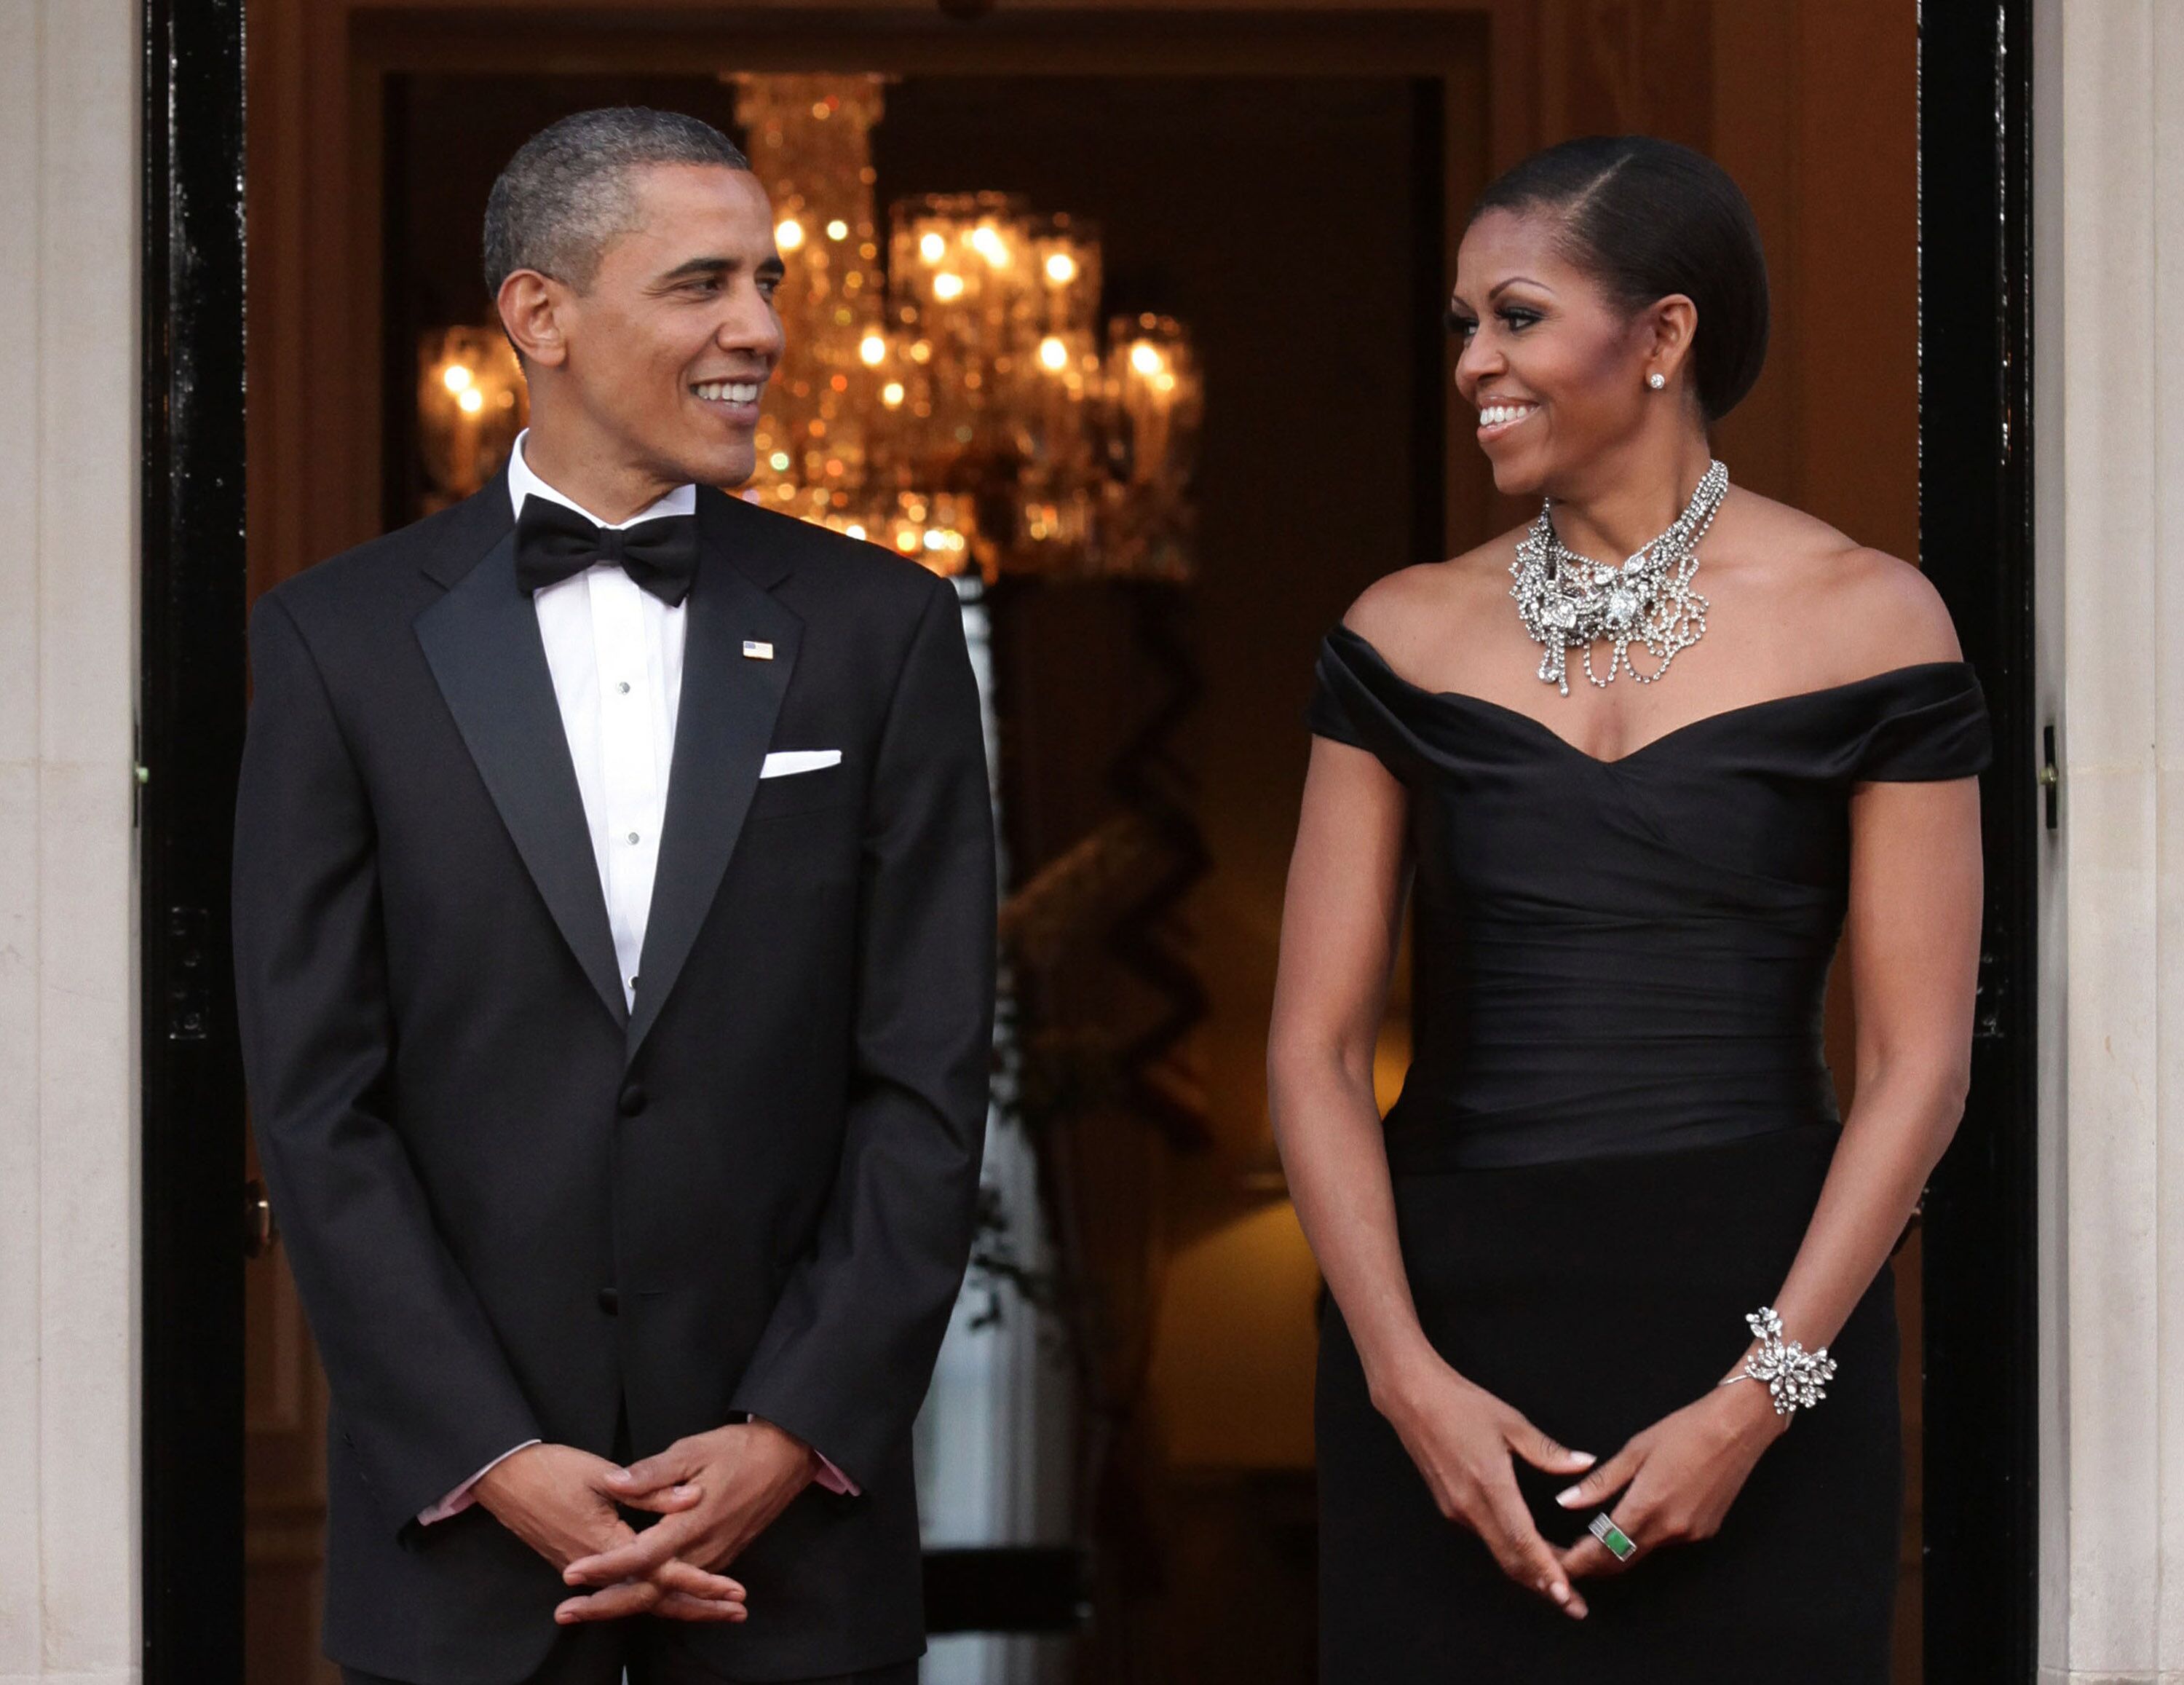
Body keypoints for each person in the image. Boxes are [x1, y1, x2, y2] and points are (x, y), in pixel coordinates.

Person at [234, 107, 996, 1685]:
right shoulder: (334, 643)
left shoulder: (887, 630)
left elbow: (926, 1083)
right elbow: (319, 1101)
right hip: (461, 1558)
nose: (763, 330)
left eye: (770, 281)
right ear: (541, 315)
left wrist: (791, 1431)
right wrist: (492, 1452)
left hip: (797, 1557)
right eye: (702, 282)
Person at [1267, 135, 1987, 1684]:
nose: (1475, 365)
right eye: (1464, 324)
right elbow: (1315, 1049)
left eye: (1516, 317)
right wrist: (1404, 1380)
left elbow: (1921, 1062)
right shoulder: (1398, 629)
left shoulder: (1872, 619)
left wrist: (1761, 1397)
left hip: (1762, 1317)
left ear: (1662, 335)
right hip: (1444, 1328)